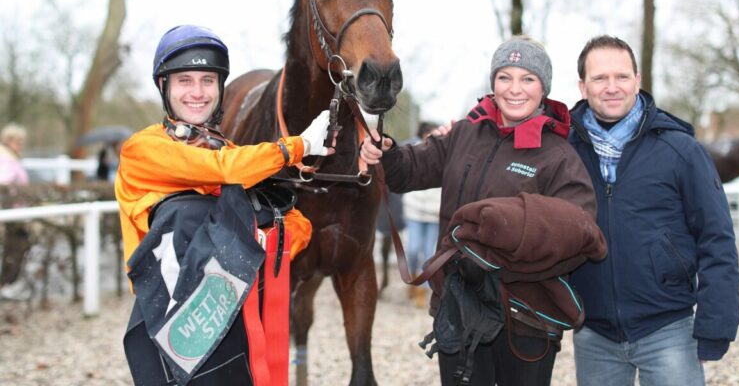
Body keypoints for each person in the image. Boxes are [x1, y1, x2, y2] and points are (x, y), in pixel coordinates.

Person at [360, 36, 607, 386]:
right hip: (458, 307)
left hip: (525, 319)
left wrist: (507, 230)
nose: (514, 89)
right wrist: (386, 153)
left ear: (543, 88)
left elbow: (580, 231)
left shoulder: (559, 156)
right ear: (493, 82)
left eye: (527, 79)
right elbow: (408, 171)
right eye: (505, 77)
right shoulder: (464, 133)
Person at [115, 24, 334, 385]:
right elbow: (219, 171)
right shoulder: (142, 150)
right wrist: (296, 147)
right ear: (164, 87)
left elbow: (296, 224)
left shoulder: (232, 154)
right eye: (184, 80)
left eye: (207, 80)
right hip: (174, 324)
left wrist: (261, 244)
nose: (197, 92)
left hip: (237, 312)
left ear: (219, 88)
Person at [568, 35, 739, 386]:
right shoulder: (563, 153)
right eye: (600, 78)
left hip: (668, 329)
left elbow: (717, 238)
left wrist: (716, 324)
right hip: (594, 334)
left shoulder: (680, 150)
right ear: (583, 87)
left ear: (637, 81)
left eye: (621, 76)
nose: (612, 87)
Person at [402, 121, 441, 308]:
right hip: (414, 210)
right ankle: (411, 276)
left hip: (434, 212)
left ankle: (421, 290)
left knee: (428, 252)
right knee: (412, 248)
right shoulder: (413, 150)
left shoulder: (444, 152)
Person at [0, 123, 31, 291]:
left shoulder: (11, 156)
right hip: (12, 212)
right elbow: (4, 181)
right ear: (9, 140)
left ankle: (8, 283)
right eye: (18, 141)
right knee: (15, 247)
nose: (21, 145)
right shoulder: (6, 158)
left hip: (15, 210)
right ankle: (7, 284)